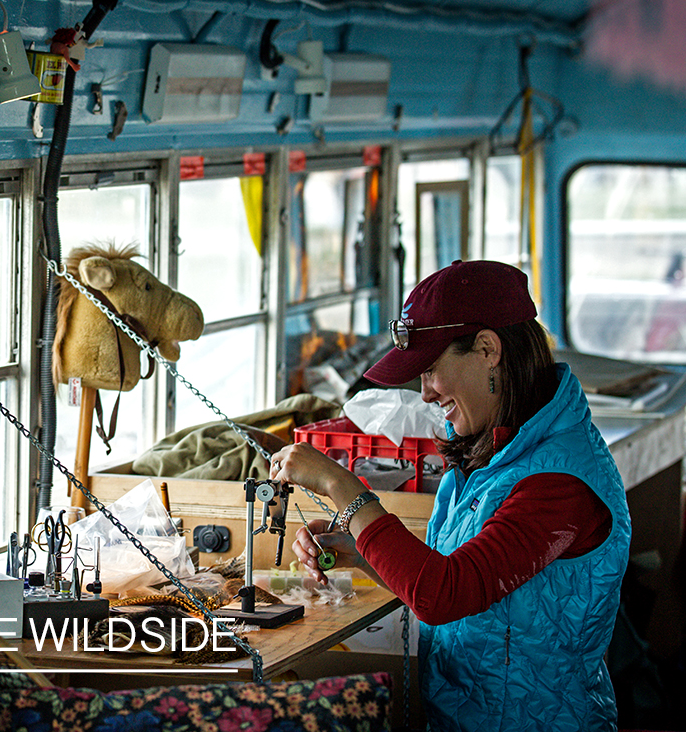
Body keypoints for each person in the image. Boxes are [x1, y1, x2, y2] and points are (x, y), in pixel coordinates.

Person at [270, 260, 631, 732]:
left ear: (487, 350)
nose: (423, 394)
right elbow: (448, 578)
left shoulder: (558, 483)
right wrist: (361, 552)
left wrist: (342, 487)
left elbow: (445, 593)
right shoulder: (496, 448)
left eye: (432, 370)